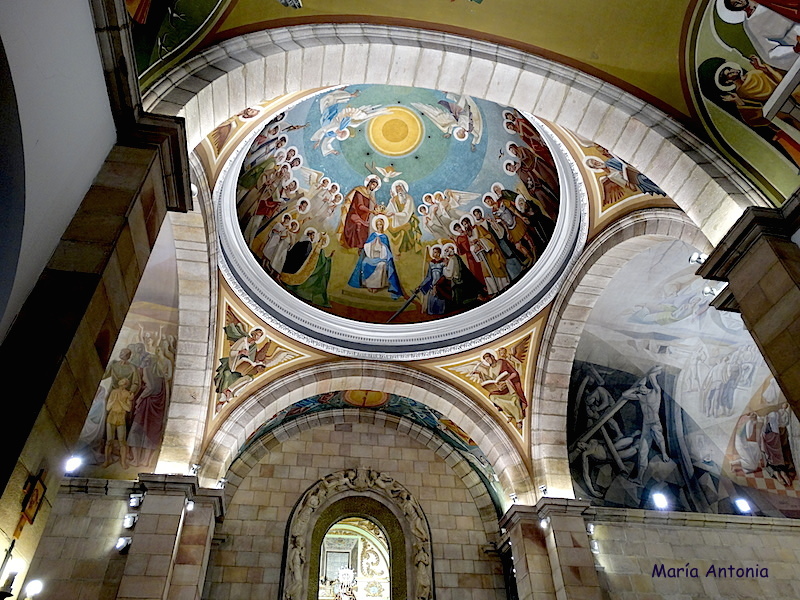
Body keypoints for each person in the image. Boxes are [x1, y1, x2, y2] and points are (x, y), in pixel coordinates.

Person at [621, 366, 670, 484]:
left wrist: (654, 373)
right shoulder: (641, 397)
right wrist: (635, 389)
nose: (641, 389)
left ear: (646, 386)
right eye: (640, 388)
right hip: (646, 425)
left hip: (655, 422)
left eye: (642, 386)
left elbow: (653, 379)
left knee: (659, 438)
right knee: (643, 450)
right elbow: (624, 394)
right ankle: (639, 478)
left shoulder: (655, 392)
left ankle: (664, 454)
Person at [723, 0, 800, 70]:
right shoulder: (750, 25)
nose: (740, 1)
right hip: (794, 41)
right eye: (736, 3)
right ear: (735, 9)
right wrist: (795, 49)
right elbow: (769, 53)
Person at [347, 215, 404, 298]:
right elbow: (366, 246)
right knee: (365, 262)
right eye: (377, 224)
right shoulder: (373, 235)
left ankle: (377, 286)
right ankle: (369, 285)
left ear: (383, 225)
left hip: (381, 258)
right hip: (372, 256)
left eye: (380, 224)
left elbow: (387, 251)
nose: (379, 226)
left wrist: (382, 246)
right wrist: (372, 244)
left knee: (381, 265)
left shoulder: (384, 237)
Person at [282, 232, 336, 307]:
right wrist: (329, 258)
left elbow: (320, 259)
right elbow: (322, 261)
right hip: (313, 270)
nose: (322, 242)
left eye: (323, 241)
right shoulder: (318, 248)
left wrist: (329, 257)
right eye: (322, 241)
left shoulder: (316, 247)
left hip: (312, 269)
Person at [478, 351, 528, 430]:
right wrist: (480, 375)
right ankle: (509, 414)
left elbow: (514, 373)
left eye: (488, 359)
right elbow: (492, 380)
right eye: (486, 361)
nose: (488, 361)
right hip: (500, 389)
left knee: (514, 400)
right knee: (492, 397)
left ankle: (519, 420)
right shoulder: (490, 369)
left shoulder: (503, 362)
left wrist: (507, 381)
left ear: (492, 357)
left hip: (510, 387)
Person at [339, 175, 381, 249]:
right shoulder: (360, 191)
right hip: (354, 214)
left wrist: (376, 207)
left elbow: (374, 205)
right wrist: (371, 211)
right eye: (373, 184)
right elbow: (360, 206)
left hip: (364, 217)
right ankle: (354, 245)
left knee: (369, 227)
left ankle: (362, 247)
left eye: (375, 186)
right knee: (358, 223)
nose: (373, 187)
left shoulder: (371, 196)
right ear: (369, 183)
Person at [386, 180, 422, 253]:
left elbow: (406, 213)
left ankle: (405, 249)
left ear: (403, 188)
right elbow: (388, 210)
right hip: (397, 219)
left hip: (409, 219)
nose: (399, 190)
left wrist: (394, 214)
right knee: (388, 228)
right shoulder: (394, 198)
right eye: (397, 189)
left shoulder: (409, 198)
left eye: (400, 188)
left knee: (403, 229)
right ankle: (393, 249)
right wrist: (392, 201)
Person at [417, 245, 448, 315]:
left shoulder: (443, 263)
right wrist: (421, 285)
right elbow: (429, 276)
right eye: (433, 252)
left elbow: (444, 275)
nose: (434, 254)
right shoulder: (431, 263)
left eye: (436, 252)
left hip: (441, 285)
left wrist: (438, 285)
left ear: (439, 253)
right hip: (433, 285)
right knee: (431, 303)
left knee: (440, 302)